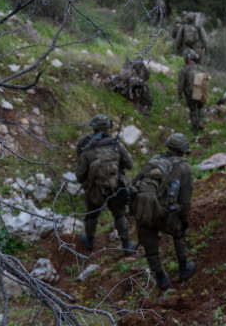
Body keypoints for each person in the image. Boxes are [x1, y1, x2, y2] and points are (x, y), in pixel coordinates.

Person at [131, 132, 196, 291]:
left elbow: (134, 184)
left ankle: (161, 278)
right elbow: (185, 200)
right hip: (167, 214)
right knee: (179, 233)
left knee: (150, 246)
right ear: (182, 150)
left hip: (146, 211)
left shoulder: (153, 161)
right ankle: (184, 269)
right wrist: (184, 218)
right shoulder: (184, 167)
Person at [75, 114, 135, 254]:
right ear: (108, 128)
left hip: (95, 189)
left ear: (94, 129)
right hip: (116, 186)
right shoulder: (116, 145)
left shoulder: (87, 149)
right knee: (120, 213)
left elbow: (79, 176)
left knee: (92, 214)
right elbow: (129, 164)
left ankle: (89, 241)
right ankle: (126, 245)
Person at [177, 48, 208, 135]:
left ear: (188, 58)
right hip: (201, 91)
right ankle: (201, 121)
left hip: (190, 92)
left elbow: (181, 84)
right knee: (201, 106)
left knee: (193, 109)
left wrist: (180, 94)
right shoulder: (200, 68)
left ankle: (194, 128)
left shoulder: (184, 70)